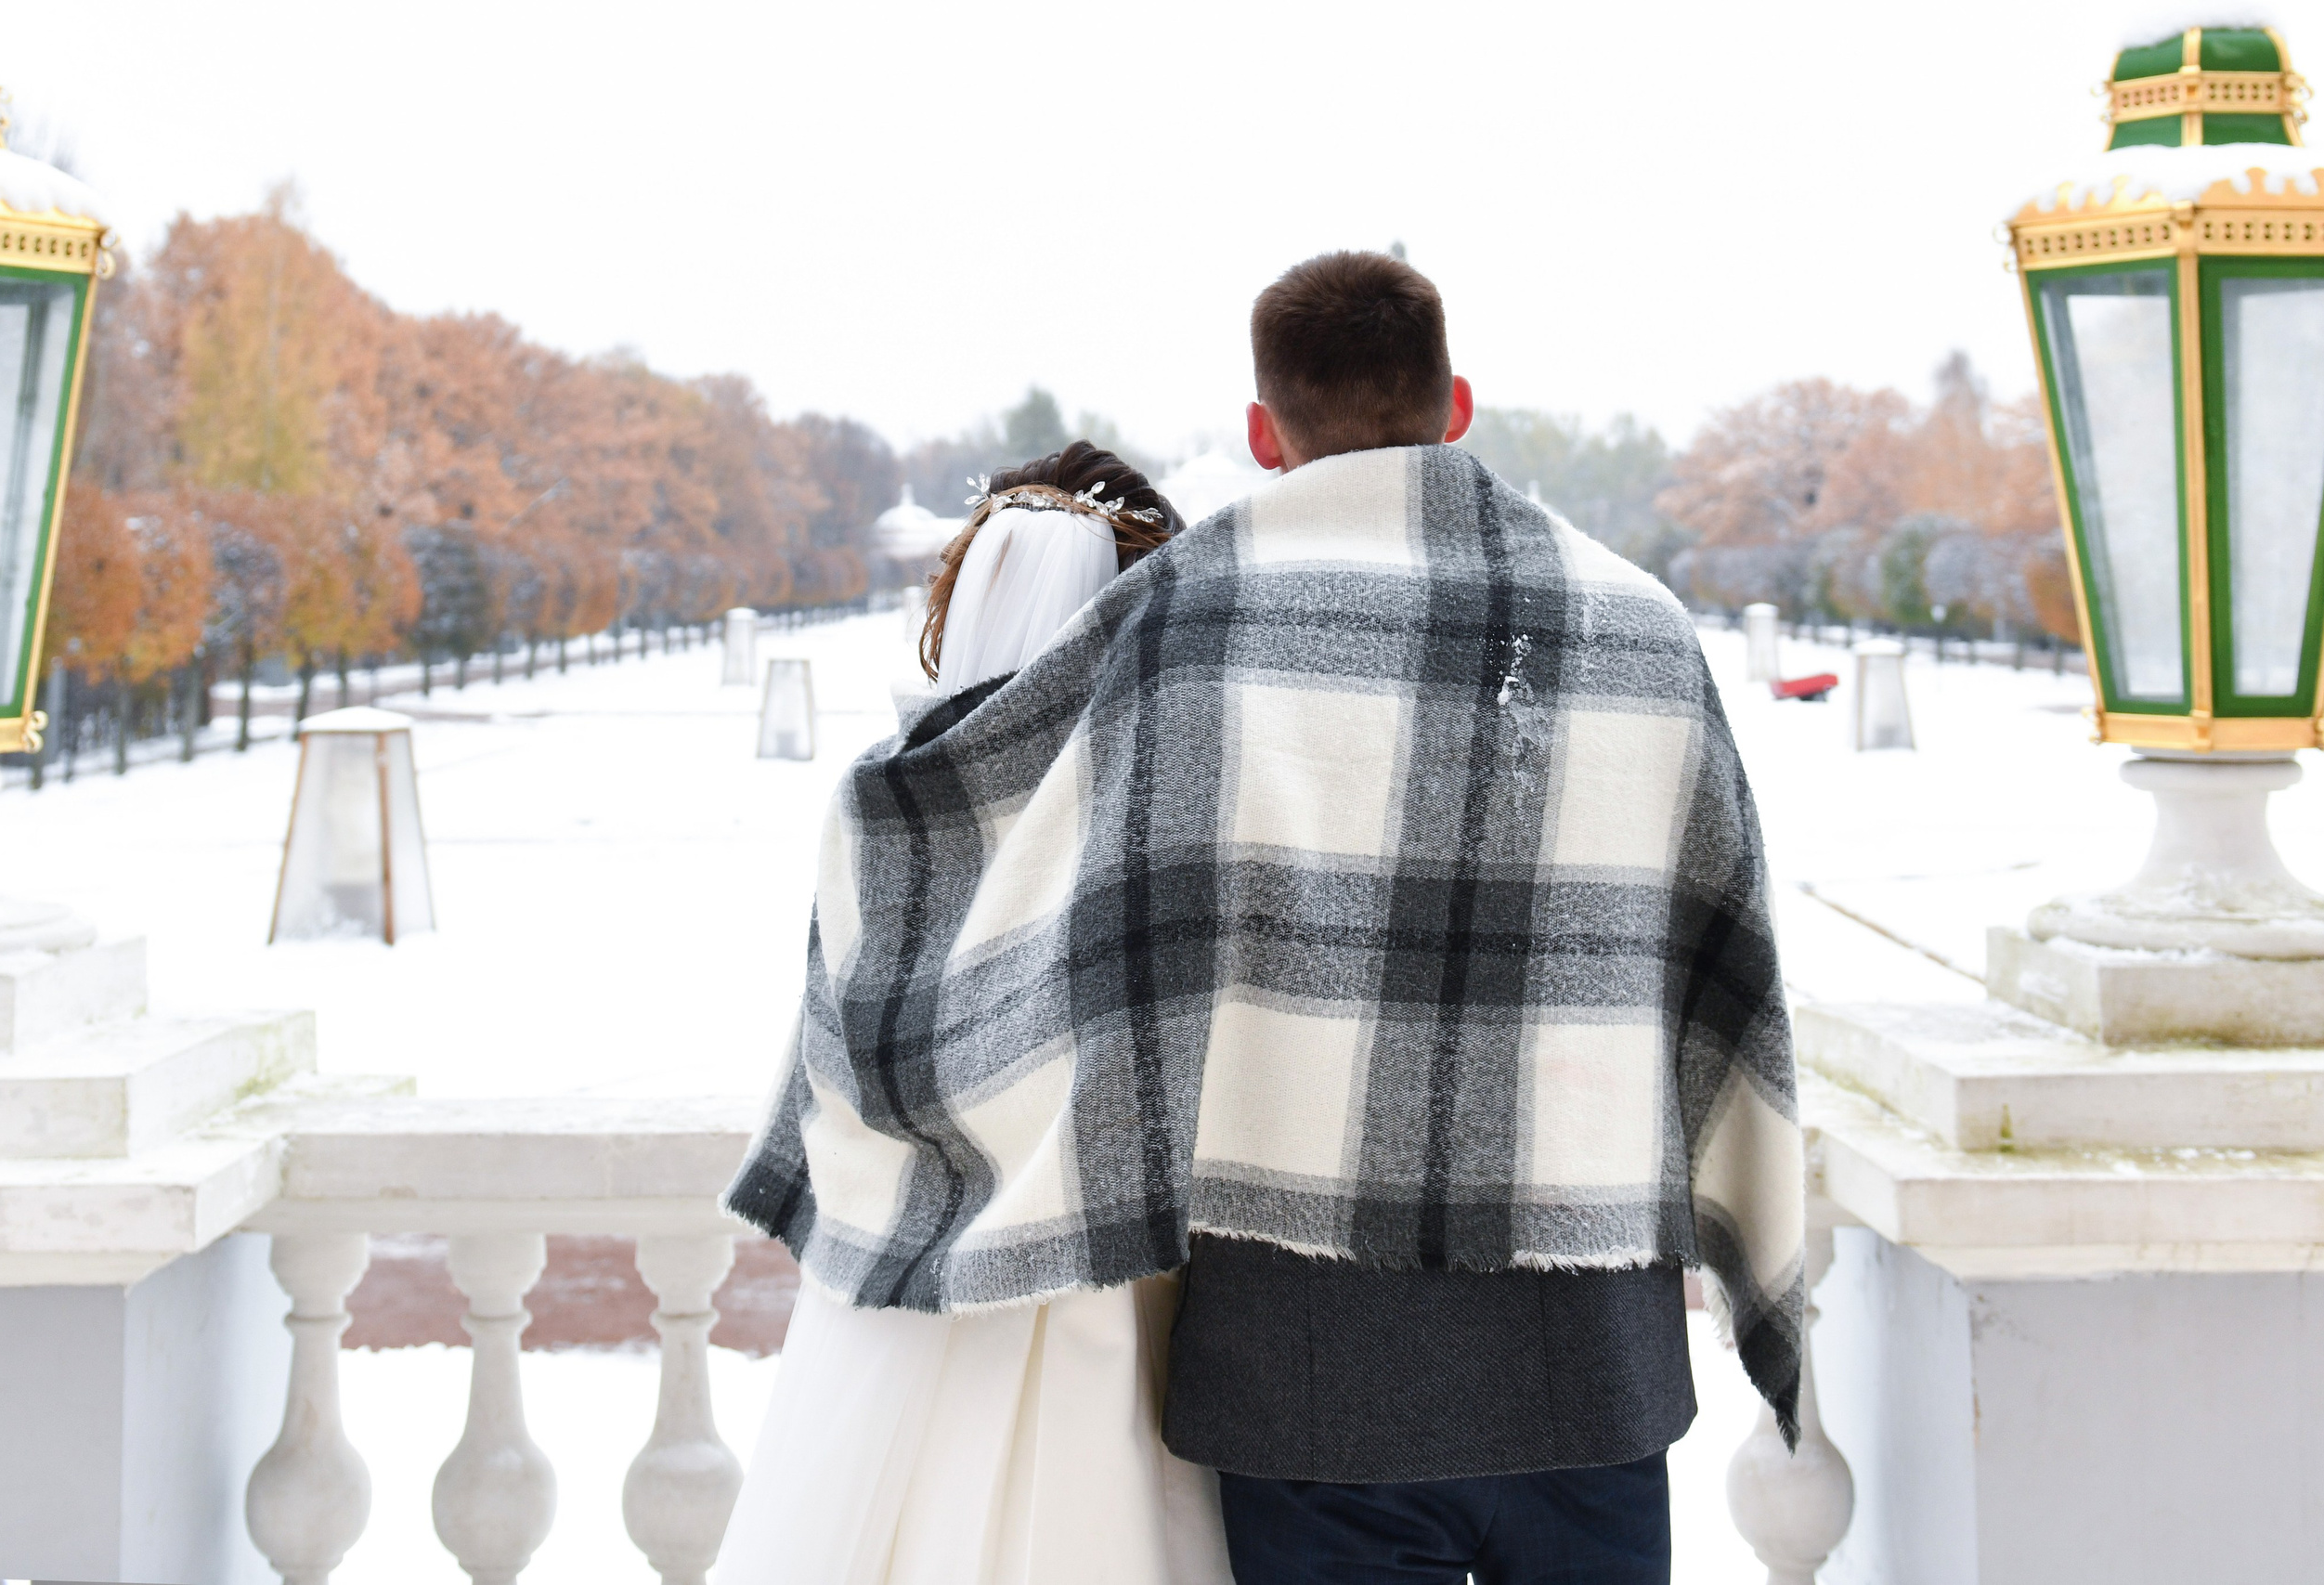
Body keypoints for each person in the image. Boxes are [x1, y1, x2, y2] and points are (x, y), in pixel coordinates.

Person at [727, 251, 1802, 1585]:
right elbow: (1722, 971)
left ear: (1261, 430)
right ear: (1456, 402)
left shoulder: (1190, 620)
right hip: (1590, 1375)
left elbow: (979, 829)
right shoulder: (1644, 630)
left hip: (1310, 1387)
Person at [719, 444, 1232, 1585]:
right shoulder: (1147, 805)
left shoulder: (877, 799)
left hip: (893, 1265)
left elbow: (838, 1039)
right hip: (1095, 1259)